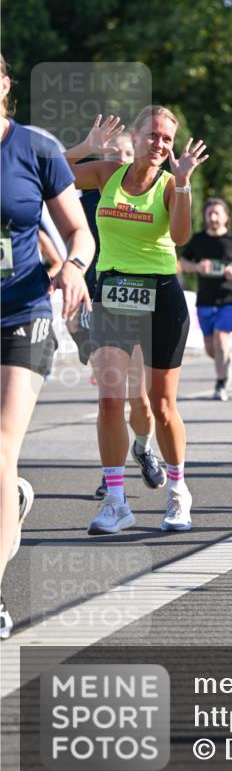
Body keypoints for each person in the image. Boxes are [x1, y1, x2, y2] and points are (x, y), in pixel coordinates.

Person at [65, 105, 207, 535]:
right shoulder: (108, 173)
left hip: (161, 297)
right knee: (110, 401)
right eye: (153, 136)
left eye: (167, 139)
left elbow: (180, 237)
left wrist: (182, 185)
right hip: (112, 294)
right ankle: (115, 501)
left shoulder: (169, 185)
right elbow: (49, 172)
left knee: (162, 406)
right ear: (137, 136)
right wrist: (86, 148)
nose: (159, 144)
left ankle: (179, 493)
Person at [1, 54, 95, 637]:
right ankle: (11, 497)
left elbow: (76, 230)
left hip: (21, 311)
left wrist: (77, 267)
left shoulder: (34, 149)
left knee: (0, 444)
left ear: (4, 85)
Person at [69, 121, 168, 497]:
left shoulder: (151, 193)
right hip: (98, 300)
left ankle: (143, 448)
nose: (119, 163)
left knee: (138, 395)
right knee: (110, 396)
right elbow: (46, 173)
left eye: (126, 155)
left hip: (138, 297)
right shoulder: (84, 201)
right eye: (111, 157)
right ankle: (110, 471)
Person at [180, 198, 232, 401]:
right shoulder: (198, 240)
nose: (213, 217)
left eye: (217, 213)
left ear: (226, 217)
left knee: (221, 340)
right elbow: (182, 261)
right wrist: (197, 267)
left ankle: (220, 384)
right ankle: (227, 360)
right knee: (210, 347)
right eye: (209, 214)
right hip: (205, 299)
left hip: (229, 298)